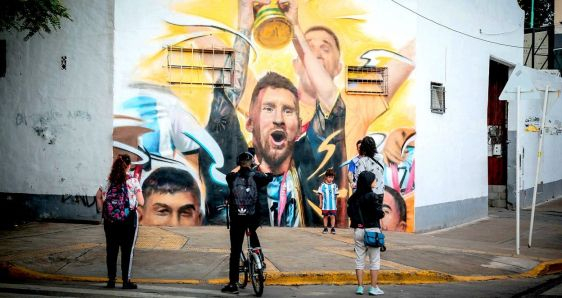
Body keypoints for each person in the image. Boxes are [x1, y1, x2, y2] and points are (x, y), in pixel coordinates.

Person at [221, 152, 273, 294]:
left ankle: (233, 285)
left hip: (237, 218)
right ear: (250, 163)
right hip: (252, 217)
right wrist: (256, 166)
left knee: (235, 251)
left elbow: (229, 173)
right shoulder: (257, 176)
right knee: (252, 232)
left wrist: (240, 166)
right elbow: (270, 176)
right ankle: (259, 259)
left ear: (238, 163)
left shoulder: (232, 177)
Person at [95, 154, 145, 289]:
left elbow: (98, 196)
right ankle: (125, 281)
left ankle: (111, 281)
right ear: (129, 166)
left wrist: (102, 211)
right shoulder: (133, 181)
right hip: (128, 220)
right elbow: (141, 201)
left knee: (111, 250)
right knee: (127, 250)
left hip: (110, 221)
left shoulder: (109, 181)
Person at [347, 171, 385, 296]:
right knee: (374, 260)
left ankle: (360, 287)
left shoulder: (354, 197)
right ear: (369, 182)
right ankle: (373, 288)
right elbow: (378, 213)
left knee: (359, 260)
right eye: (373, 180)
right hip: (372, 231)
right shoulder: (372, 196)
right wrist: (382, 212)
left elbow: (350, 213)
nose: (375, 181)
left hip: (358, 230)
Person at [318, 168, 338, 234]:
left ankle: (332, 228)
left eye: (332, 177)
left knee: (333, 216)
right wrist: (320, 203)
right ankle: (325, 228)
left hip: (333, 205)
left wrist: (336, 204)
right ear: (326, 177)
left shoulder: (335, 186)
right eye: (329, 177)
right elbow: (320, 195)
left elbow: (336, 196)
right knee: (325, 216)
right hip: (325, 205)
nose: (331, 179)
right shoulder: (322, 185)